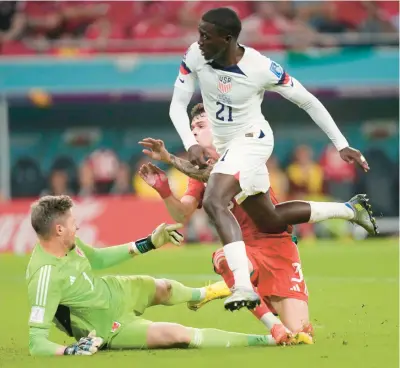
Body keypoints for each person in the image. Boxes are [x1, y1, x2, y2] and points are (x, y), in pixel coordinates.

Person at [168, 7, 377, 310]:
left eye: (205, 35)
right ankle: (350, 210)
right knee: (270, 218)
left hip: (254, 140)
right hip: (228, 148)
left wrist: (341, 144)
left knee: (214, 200)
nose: (198, 40)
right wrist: (189, 143)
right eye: (199, 33)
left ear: (227, 38)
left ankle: (243, 286)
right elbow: (177, 104)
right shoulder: (195, 55)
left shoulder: (260, 67)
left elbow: (307, 100)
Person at [137, 103, 374, 343]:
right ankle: (273, 327)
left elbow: (217, 175)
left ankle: (348, 209)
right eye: (192, 128)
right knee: (223, 258)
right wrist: (164, 190)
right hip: (243, 248)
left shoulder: (243, 148)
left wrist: (170, 158)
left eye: (200, 125)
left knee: (302, 332)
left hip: (278, 244)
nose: (194, 132)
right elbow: (182, 214)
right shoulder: (198, 170)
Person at [26, 195, 305, 357]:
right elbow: (36, 342)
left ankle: (201, 295)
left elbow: (97, 259)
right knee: (178, 335)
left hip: (116, 290)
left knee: (164, 287)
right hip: (109, 325)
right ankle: (270, 339)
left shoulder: (70, 244)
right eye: (73, 223)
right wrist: (70, 351)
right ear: (59, 230)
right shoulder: (45, 276)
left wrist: (149, 243)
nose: (78, 226)